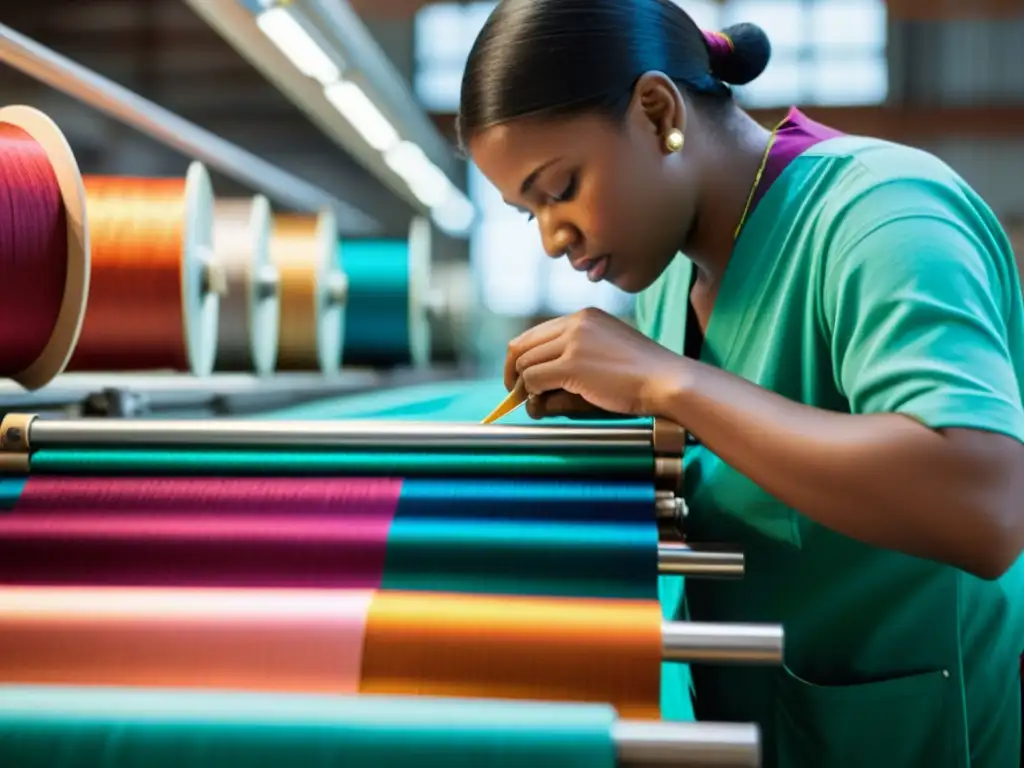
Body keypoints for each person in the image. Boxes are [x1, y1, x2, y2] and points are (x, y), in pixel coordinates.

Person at [457, 1, 1024, 766]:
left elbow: (984, 503)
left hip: (918, 735)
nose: (556, 238)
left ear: (658, 112)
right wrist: (622, 432)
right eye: (529, 215)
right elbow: (732, 454)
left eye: (560, 188)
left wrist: (670, 385)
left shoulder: (883, 214)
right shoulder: (667, 281)